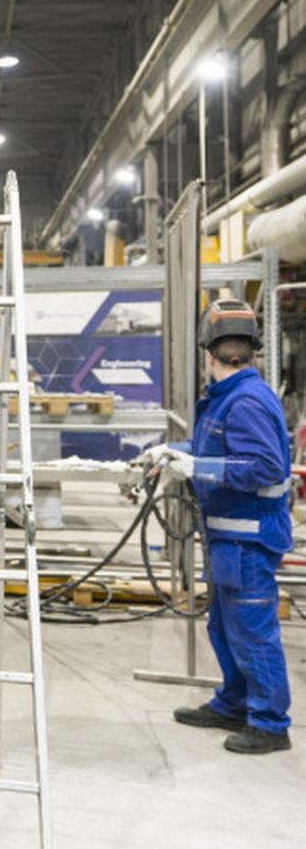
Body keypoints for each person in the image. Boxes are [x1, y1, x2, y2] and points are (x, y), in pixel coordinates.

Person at [145, 299, 293, 754]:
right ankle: (234, 703)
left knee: (251, 633)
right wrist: (177, 451)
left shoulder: (245, 400)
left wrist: (198, 468)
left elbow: (266, 466)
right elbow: (219, 447)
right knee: (226, 629)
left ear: (207, 352)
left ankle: (270, 724)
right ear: (253, 349)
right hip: (229, 536)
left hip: (248, 538)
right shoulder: (229, 396)